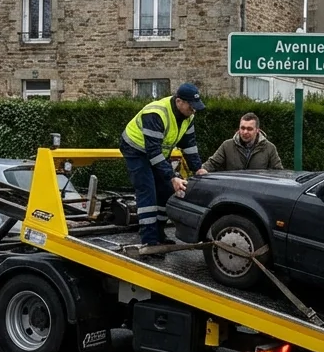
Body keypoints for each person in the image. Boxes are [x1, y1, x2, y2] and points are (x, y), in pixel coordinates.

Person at [120, 83, 206, 245]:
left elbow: (189, 145)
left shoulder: (188, 117)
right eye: (191, 106)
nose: (193, 110)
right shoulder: (156, 113)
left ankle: (159, 233)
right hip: (136, 151)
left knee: (166, 191)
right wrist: (172, 177)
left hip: (158, 153)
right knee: (148, 192)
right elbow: (153, 152)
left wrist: (198, 168)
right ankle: (149, 241)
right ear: (179, 101)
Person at [196, 112, 283, 173]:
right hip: (233, 192)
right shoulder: (227, 146)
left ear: (257, 130)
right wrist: (202, 170)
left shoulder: (269, 148)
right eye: (242, 128)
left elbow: (278, 172)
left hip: (259, 194)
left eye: (249, 129)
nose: (245, 132)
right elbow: (212, 163)